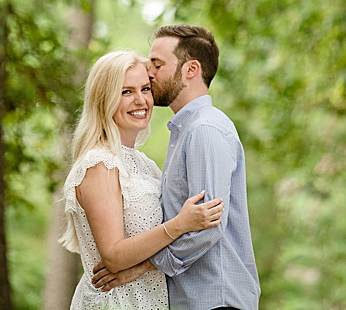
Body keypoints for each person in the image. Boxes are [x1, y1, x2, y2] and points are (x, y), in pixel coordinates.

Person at [93, 25, 260, 310]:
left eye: (157, 65)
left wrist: (143, 266)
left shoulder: (205, 129)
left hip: (215, 300)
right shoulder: (186, 130)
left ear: (191, 69)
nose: (149, 73)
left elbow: (207, 227)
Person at [61, 50, 224, 310]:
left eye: (145, 89)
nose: (141, 100)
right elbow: (114, 256)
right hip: (115, 301)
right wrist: (179, 224)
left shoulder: (144, 164)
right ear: (103, 99)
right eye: (126, 92)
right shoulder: (99, 163)